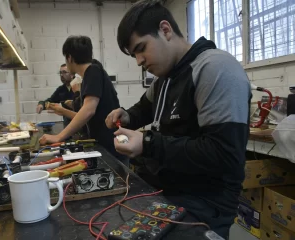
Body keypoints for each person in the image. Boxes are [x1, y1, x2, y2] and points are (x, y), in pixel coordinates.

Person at [105, 0, 251, 238]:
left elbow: (224, 154)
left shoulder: (215, 68)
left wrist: (147, 143)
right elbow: (144, 108)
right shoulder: (166, 77)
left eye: (141, 48)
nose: (139, 61)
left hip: (203, 203)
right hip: (166, 188)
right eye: (134, 55)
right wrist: (126, 116)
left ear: (165, 30)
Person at [39, 36, 126, 162]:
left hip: (111, 147)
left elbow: (88, 110)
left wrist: (58, 137)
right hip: (107, 143)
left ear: (69, 58)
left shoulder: (92, 71)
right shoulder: (92, 71)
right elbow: (89, 112)